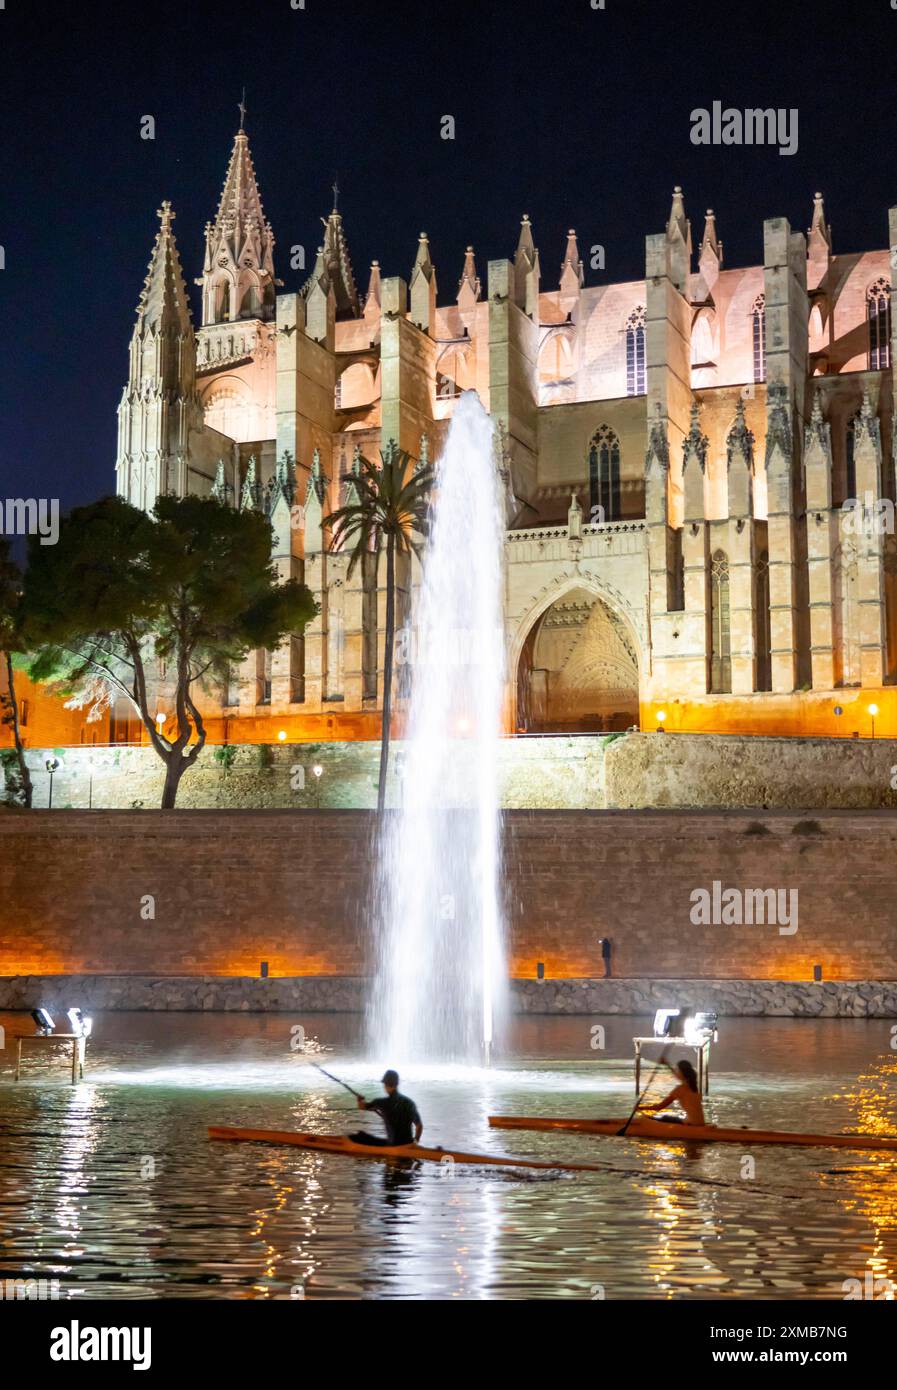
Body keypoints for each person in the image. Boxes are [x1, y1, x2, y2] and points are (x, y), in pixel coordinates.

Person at [350, 1070, 423, 1147]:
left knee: (361, 1136)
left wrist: (360, 1100)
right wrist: (415, 1142)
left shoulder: (381, 1103)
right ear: (397, 1084)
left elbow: (362, 1107)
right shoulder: (409, 1103)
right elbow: (419, 1126)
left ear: (385, 1085)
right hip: (408, 1144)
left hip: (393, 1146)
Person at [638, 1058, 705, 1125]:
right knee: (667, 1117)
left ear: (681, 1073)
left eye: (677, 1070)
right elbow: (677, 1075)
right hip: (701, 1123)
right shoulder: (694, 1087)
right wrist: (667, 1064)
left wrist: (640, 1107)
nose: (676, 1071)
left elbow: (659, 1107)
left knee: (663, 1118)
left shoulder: (680, 1089)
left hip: (691, 1124)